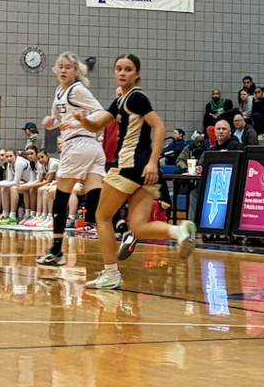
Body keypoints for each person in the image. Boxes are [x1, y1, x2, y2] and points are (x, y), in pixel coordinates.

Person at [71, 54, 197, 290]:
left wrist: (152, 161)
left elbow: (159, 127)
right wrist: (83, 120)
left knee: (102, 217)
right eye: (118, 68)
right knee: (137, 226)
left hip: (130, 167)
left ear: (137, 74)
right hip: (144, 172)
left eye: (128, 69)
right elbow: (98, 125)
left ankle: (111, 273)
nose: (122, 73)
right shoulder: (121, 101)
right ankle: (179, 231)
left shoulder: (136, 97)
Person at [35, 53, 108, 265]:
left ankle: (56, 251)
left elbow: (100, 112)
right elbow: (58, 120)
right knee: (95, 195)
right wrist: (51, 123)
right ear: (55, 70)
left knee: (61, 196)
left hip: (78, 144)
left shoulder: (77, 89)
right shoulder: (60, 91)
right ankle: (120, 225)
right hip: (92, 148)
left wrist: (77, 123)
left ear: (76, 71)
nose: (64, 70)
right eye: (61, 67)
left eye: (69, 67)